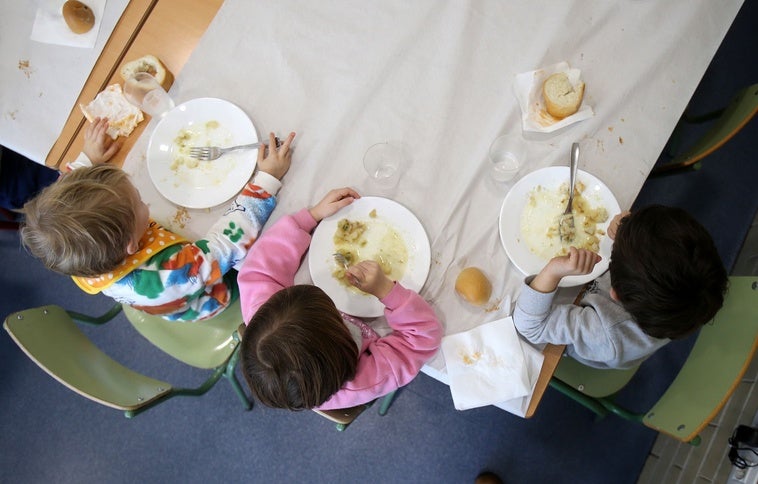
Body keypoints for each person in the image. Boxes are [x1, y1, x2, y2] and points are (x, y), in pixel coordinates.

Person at [20, 131, 296, 322]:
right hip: (210, 292)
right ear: (131, 244)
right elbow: (227, 243)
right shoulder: (170, 273)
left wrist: (87, 160)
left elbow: (64, 193)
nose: (145, 205)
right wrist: (266, 181)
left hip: (166, 277)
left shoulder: (68, 245)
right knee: (257, 265)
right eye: (140, 203)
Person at [237, 187, 442, 410]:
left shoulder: (265, 313)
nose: (336, 309)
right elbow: (423, 340)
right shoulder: (362, 380)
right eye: (334, 314)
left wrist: (311, 216)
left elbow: (260, 267)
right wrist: (387, 291)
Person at [513, 205, 728, 369]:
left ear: (614, 292)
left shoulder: (604, 332)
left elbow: (529, 326)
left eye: (616, 256)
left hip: (586, 339)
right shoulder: (687, 296)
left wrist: (552, 271)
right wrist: (628, 231)